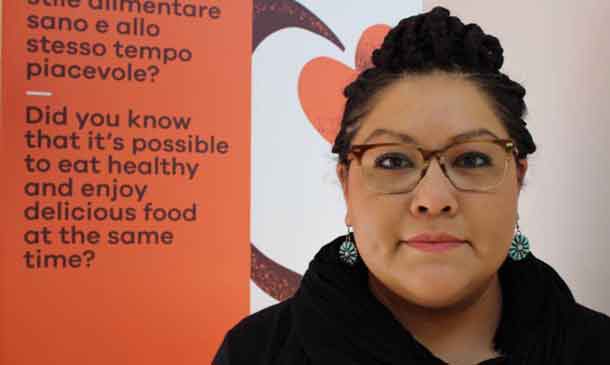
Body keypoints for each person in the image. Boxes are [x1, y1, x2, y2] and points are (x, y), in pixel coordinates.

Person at [213, 6, 610, 365]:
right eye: (393, 161)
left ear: (517, 179)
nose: (434, 199)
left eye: (472, 159)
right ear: (346, 184)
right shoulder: (255, 353)